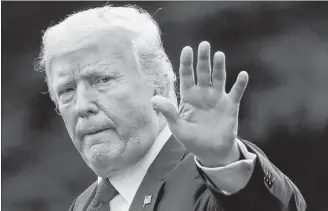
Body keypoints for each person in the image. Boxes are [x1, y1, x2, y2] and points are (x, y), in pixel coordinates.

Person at [37, 5, 306, 211]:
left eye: (103, 79)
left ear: (156, 80)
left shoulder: (215, 180)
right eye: (67, 90)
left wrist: (225, 162)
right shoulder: (82, 205)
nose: (82, 106)